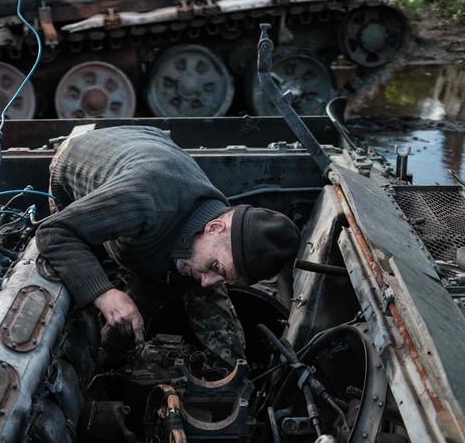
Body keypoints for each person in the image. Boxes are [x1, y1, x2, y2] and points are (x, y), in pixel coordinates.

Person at [37, 126, 300, 368]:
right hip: (81, 159)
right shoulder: (142, 200)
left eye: (224, 275)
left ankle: (233, 374)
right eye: (215, 267)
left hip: (151, 150)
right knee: (82, 273)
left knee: (201, 292)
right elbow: (55, 232)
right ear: (214, 228)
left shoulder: (221, 227)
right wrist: (104, 293)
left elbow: (183, 282)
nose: (210, 281)